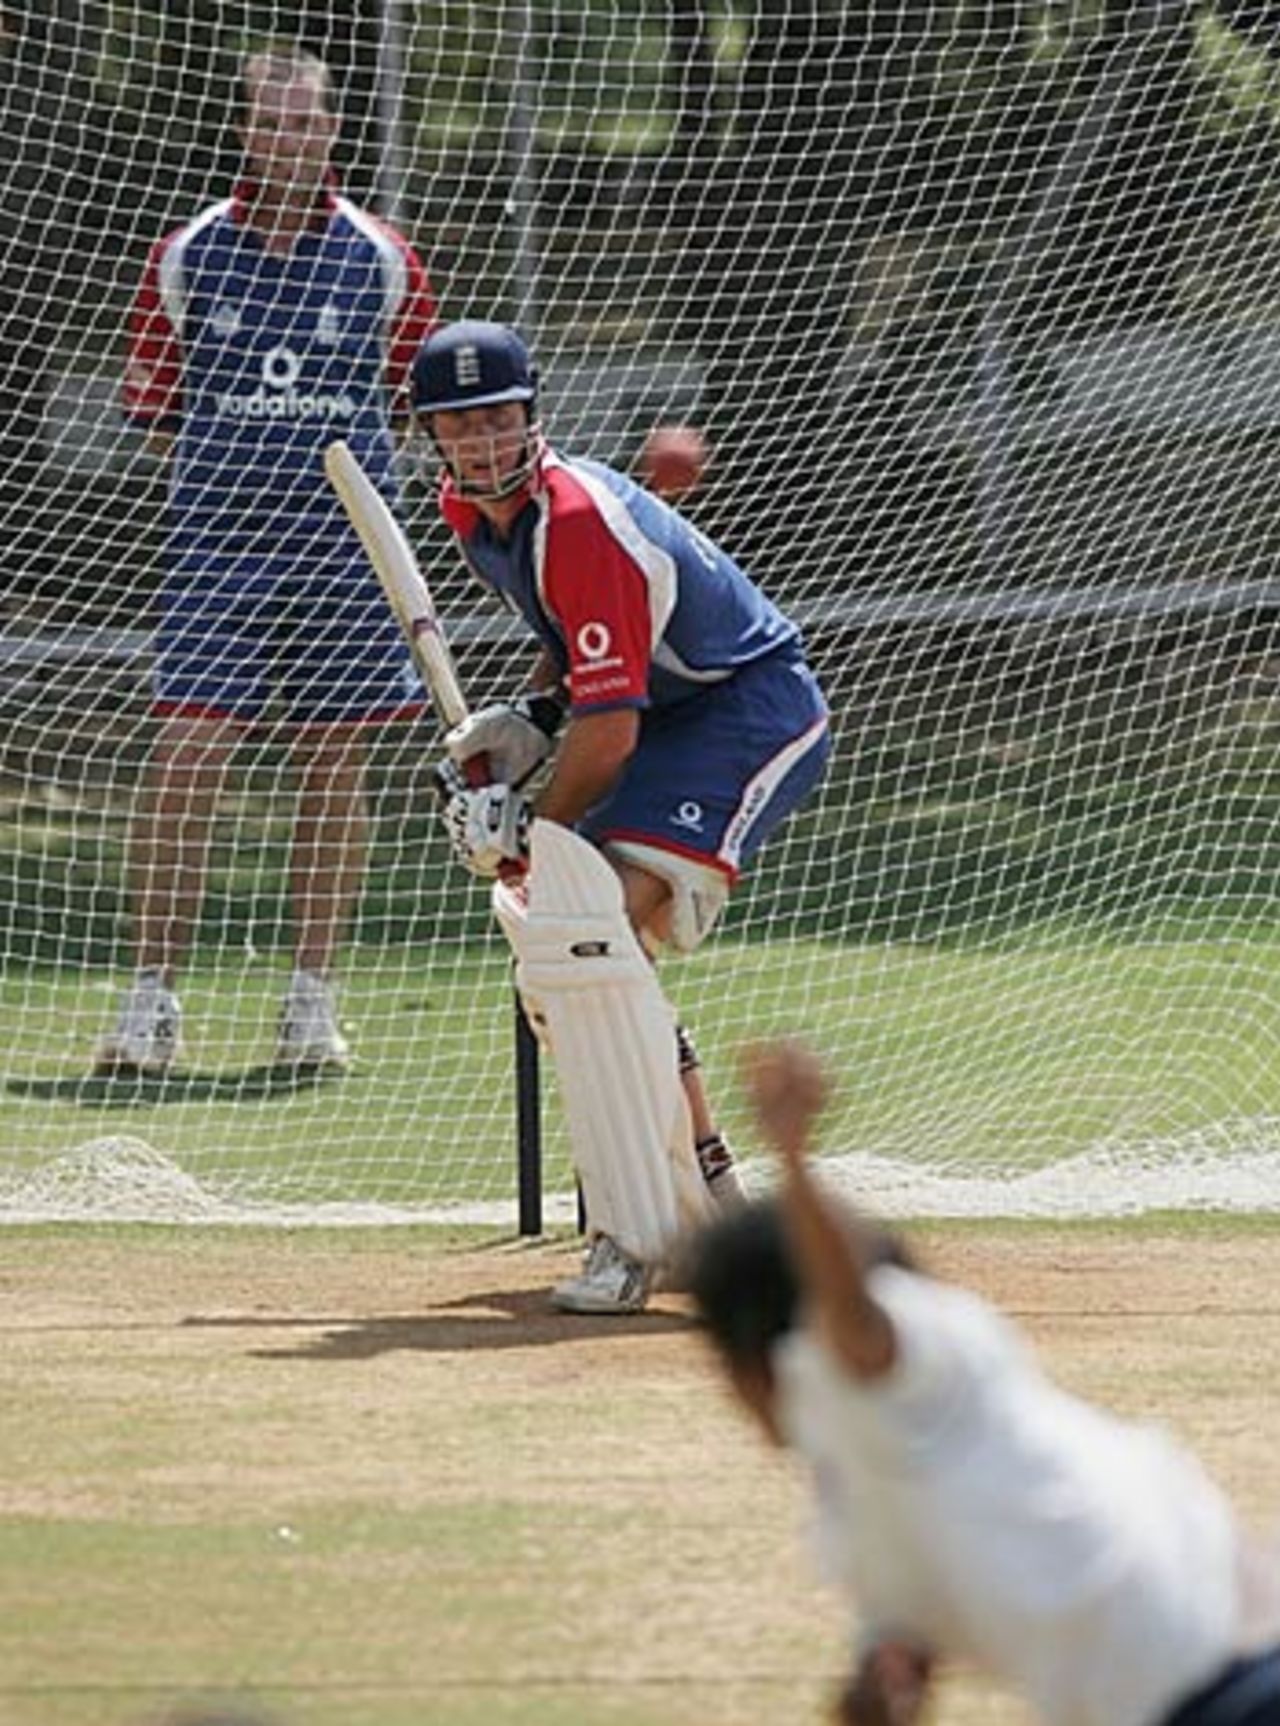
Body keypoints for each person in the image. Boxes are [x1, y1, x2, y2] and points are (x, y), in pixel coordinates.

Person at [409, 319, 831, 1315]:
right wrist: (533, 717)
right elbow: (580, 640)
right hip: (666, 714)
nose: (476, 440)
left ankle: (642, 1232)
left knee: (592, 933)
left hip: (745, 710)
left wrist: (523, 826)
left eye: (495, 417)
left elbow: (612, 738)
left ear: (531, 414)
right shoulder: (471, 515)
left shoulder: (578, 516)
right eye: (454, 423)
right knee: (564, 964)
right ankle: (700, 1197)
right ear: (428, 433)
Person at [687, 1038, 1280, 1726]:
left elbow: (851, 1322)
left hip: (1226, 1677)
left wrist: (792, 1159)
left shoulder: (906, 1361)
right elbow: (903, 1643)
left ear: (760, 1354)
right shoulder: (856, 1504)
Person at [96, 42, 437, 1074]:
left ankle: (310, 1003)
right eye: (273, 120)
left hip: (342, 554)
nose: (293, 135)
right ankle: (151, 1002)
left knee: (332, 762)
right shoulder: (186, 254)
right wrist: (240, 478)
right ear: (245, 133)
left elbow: (411, 412)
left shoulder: (384, 257)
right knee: (187, 754)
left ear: (333, 128)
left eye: (309, 119)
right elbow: (154, 410)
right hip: (219, 547)